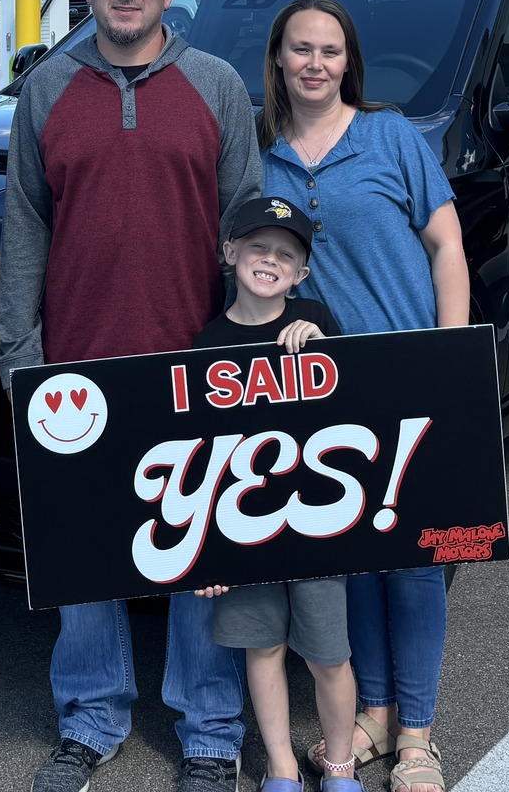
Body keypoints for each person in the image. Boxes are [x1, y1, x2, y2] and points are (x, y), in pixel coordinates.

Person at [0, 0, 263, 792]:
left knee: (201, 558)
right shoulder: (48, 87)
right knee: (88, 555)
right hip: (76, 365)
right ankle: (91, 718)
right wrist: (20, 350)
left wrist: (249, 347)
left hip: (195, 368)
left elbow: (248, 228)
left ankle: (210, 731)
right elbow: (28, 224)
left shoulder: (217, 86)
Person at [255, 0, 471, 792]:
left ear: (350, 63)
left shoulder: (390, 138)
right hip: (314, 394)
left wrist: (448, 359)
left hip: (405, 377)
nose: (316, 63)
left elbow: (447, 245)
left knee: (415, 561)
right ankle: (375, 712)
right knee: (351, 557)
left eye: (331, 51)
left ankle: (417, 734)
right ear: (278, 57)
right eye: (301, 49)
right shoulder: (261, 150)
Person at [190, 197, 361, 792]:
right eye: (258, 246)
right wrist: (207, 549)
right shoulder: (206, 344)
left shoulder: (315, 322)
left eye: (286, 253)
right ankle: (281, 766)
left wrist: (323, 343)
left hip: (316, 523)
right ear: (228, 252)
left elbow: (356, 413)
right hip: (247, 527)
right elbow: (199, 458)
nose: (270, 259)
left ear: (302, 272)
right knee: (261, 649)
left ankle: (339, 764)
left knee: (327, 653)